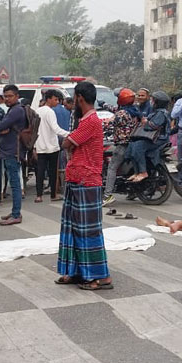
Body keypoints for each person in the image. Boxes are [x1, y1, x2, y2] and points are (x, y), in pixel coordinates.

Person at [56, 81, 112, 290]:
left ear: (79, 98)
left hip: (87, 180)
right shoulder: (86, 120)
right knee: (74, 228)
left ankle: (99, 276)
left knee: (88, 231)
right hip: (78, 179)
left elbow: (67, 143)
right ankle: (77, 271)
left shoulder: (89, 122)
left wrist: (70, 137)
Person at [0, 84, 26, 225]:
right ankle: (15, 211)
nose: (7, 99)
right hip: (10, 150)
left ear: (17, 96)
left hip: (13, 151)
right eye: (5, 96)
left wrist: (2, 127)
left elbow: (0, 126)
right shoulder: (14, 109)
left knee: (14, 184)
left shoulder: (16, 111)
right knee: (13, 183)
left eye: (10, 96)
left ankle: (16, 214)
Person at [33, 89, 69, 203]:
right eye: (55, 99)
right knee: (53, 172)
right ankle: (54, 194)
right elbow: (55, 128)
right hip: (52, 147)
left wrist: (34, 146)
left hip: (40, 146)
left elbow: (34, 130)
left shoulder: (37, 111)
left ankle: (39, 195)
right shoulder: (50, 112)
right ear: (48, 99)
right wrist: (69, 134)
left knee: (40, 171)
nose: (57, 102)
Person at [126, 91, 171, 183]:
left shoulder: (161, 113)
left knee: (138, 146)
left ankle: (143, 172)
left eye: (153, 100)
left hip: (159, 139)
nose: (151, 102)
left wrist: (145, 122)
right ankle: (136, 171)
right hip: (152, 138)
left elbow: (153, 126)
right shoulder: (156, 112)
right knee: (132, 145)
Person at [103, 88, 139, 205]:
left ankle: (107, 195)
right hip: (133, 144)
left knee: (112, 168)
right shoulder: (135, 111)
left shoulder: (121, 114)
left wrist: (103, 126)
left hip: (122, 144)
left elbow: (109, 123)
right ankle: (133, 191)